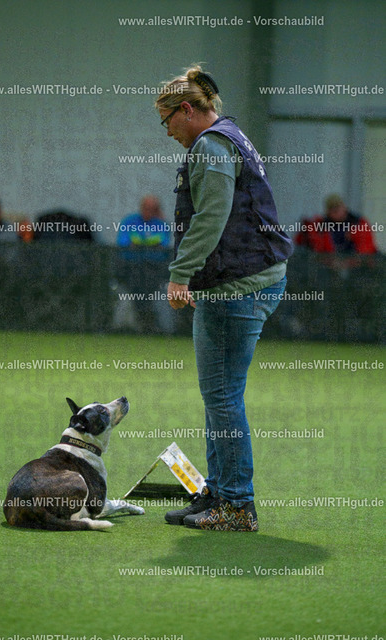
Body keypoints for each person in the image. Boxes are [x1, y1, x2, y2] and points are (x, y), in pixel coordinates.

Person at [155, 64, 293, 531]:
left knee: (223, 397)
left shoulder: (211, 146)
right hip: (248, 280)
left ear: (187, 109)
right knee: (219, 396)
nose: (167, 131)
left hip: (240, 287)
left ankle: (235, 505)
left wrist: (180, 276)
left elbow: (211, 218)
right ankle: (217, 494)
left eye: (167, 120)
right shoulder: (231, 136)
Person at [116, 195, 171, 333]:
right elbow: (123, 242)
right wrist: (150, 243)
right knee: (133, 293)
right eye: (147, 208)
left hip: (154, 270)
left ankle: (154, 326)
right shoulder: (129, 221)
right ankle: (131, 326)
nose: (149, 211)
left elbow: (163, 243)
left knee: (155, 294)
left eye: (154, 209)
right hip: (131, 269)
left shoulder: (161, 224)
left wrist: (139, 242)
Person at [295, 194, 377, 258]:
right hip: (327, 267)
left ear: (344, 207)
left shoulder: (359, 224)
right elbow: (307, 244)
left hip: (355, 267)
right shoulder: (319, 226)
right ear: (328, 211)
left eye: (338, 208)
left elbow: (366, 250)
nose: (336, 212)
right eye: (332, 209)